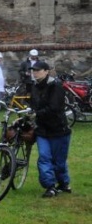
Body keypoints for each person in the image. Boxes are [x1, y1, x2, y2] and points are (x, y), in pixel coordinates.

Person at [29, 61, 73, 198]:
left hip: (58, 130)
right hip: (42, 130)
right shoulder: (34, 87)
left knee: (59, 162)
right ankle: (50, 186)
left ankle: (63, 183)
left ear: (46, 71)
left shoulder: (56, 86)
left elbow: (54, 108)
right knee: (44, 157)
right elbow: (33, 105)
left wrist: (37, 114)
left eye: (38, 70)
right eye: (33, 70)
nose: (35, 73)